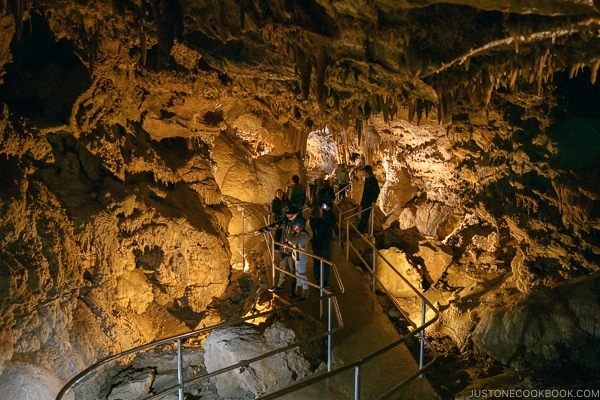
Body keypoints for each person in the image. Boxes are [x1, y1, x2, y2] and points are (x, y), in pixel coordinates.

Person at [255, 206, 304, 296]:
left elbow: (300, 237)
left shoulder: (300, 222)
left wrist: (290, 245)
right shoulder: (285, 221)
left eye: (290, 214)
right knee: (282, 266)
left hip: (293, 250)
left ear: (296, 214)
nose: (288, 216)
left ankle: (293, 291)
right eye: (287, 214)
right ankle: (280, 285)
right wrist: (261, 231)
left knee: (294, 270)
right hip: (284, 249)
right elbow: (274, 226)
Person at [309, 204, 334, 288]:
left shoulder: (312, 221)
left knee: (317, 263)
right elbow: (332, 221)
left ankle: (318, 279)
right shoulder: (323, 222)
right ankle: (324, 282)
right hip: (323, 245)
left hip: (315, 244)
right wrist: (328, 211)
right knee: (325, 263)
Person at [286, 217, 310, 299]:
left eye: (294, 226)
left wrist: (289, 234)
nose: (293, 228)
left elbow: (291, 241)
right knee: (297, 274)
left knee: (302, 274)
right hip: (298, 257)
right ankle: (298, 291)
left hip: (301, 258)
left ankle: (305, 292)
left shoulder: (302, 235)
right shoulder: (301, 234)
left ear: (299, 226)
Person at [357, 165, 380, 234]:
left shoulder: (373, 180)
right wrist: (362, 201)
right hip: (365, 201)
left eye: (364, 171)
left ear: (368, 172)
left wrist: (373, 200)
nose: (362, 173)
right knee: (363, 216)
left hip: (369, 201)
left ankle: (360, 231)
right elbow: (365, 192)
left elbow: (376, 190)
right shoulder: (367, 179)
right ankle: (360, 230)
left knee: (365, 217)